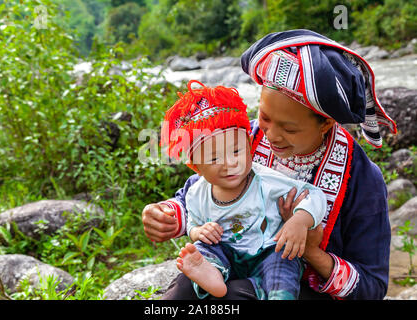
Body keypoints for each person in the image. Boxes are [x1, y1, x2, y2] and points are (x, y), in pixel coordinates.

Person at [142, 29, 396, 300]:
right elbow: (199, 192)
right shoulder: (244, 139)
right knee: (185, 289)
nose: (271, 135)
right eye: (265, 116)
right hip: (231, 263)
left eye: (289, 128)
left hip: (297, 286)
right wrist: (167, 216)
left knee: (234, 296)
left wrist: (309, 250)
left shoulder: (361, 178)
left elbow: (371, 288)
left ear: (326, 123)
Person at [160, 80, 327, 299]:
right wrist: (197, 232)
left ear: (249, 147)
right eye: (214, 158)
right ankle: (210, 274)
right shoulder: (196, 192)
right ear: (196, 166)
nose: (229, 163)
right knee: (204, 249)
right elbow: (193, 221)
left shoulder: (265, 180)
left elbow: (314, 194)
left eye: (237, 151)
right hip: (226, 252)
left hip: (268, 252)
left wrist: (299, 220)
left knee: (283, 266)